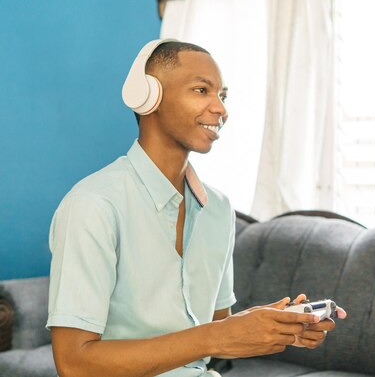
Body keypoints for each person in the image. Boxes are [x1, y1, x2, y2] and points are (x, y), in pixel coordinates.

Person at [47, 39, 347, 377]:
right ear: (149, 97)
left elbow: (216, 330)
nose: (220, 109)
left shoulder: (218, 209)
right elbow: (74, 363)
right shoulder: (93, 205)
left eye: (223, 95)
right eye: (202, 90)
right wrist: (216, 336)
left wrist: (273, 326)